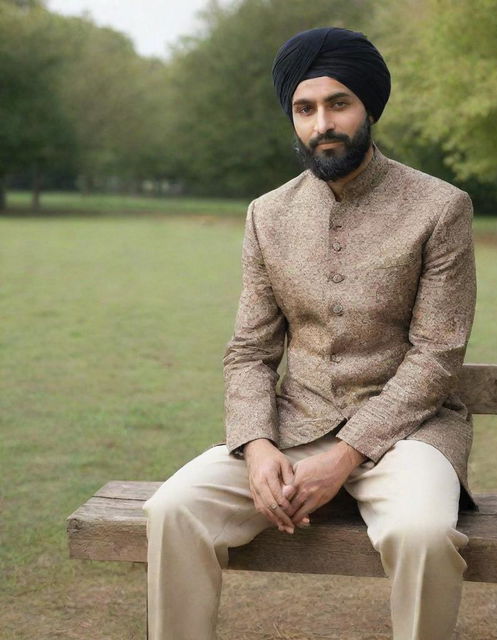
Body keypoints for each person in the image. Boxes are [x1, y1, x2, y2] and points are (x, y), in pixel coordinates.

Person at [143, 26, 478, 640]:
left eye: (338, 103)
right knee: (172, 509)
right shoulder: (267, 215)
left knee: (422, 535)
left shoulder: (440, 208)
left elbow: (438, 356)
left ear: (368, 108)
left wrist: (346, 454)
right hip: (292, 427)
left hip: (410, 435)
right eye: (305, 108)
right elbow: (249, 351)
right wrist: (256, 444)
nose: (322, 123)